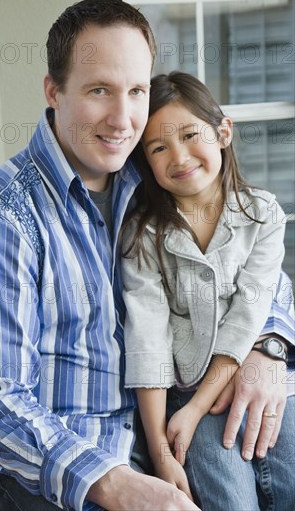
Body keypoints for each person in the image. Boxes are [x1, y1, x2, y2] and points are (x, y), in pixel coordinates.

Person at [0, 0, 293, 511]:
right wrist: (113, 481)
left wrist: (267, 345)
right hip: (43, 475)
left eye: (136, 91)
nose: (122, 117)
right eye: (99, 91)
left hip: (150, 438)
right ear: (54, 91)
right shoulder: (1, 217)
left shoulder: (154, 180)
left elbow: (254, 271)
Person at [121, 71, 295, 510]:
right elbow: (148, 339)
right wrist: (161, 449)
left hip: (257, 377)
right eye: (158, 148)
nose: (178, 156)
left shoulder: (264, 214)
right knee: (229, 500)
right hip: (183, 393)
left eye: (189, 134)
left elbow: (249, 313)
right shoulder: (143, 236)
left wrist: (200, 406)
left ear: (222, 132)